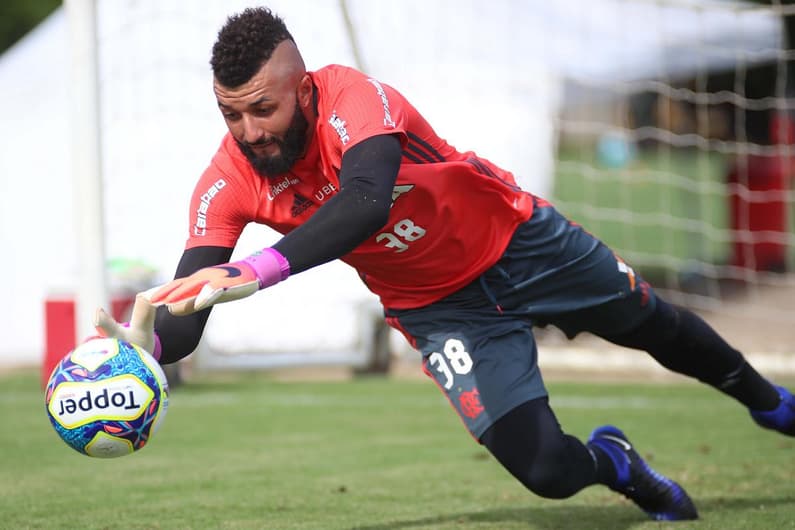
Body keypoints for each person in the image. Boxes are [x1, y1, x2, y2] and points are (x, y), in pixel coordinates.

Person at [94, 6, 795, 522]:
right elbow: (188, 312)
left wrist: (259, 270)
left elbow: (365, 200)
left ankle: (770, 406)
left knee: (652, 325)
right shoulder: (226, 182)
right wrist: (143, 348)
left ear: (301, 88)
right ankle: (616, 463)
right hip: (442, 311)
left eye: (261, 110)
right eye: (230, 117)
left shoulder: (354, 100)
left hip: (520, 242)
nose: (248, 133)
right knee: (546, 472)